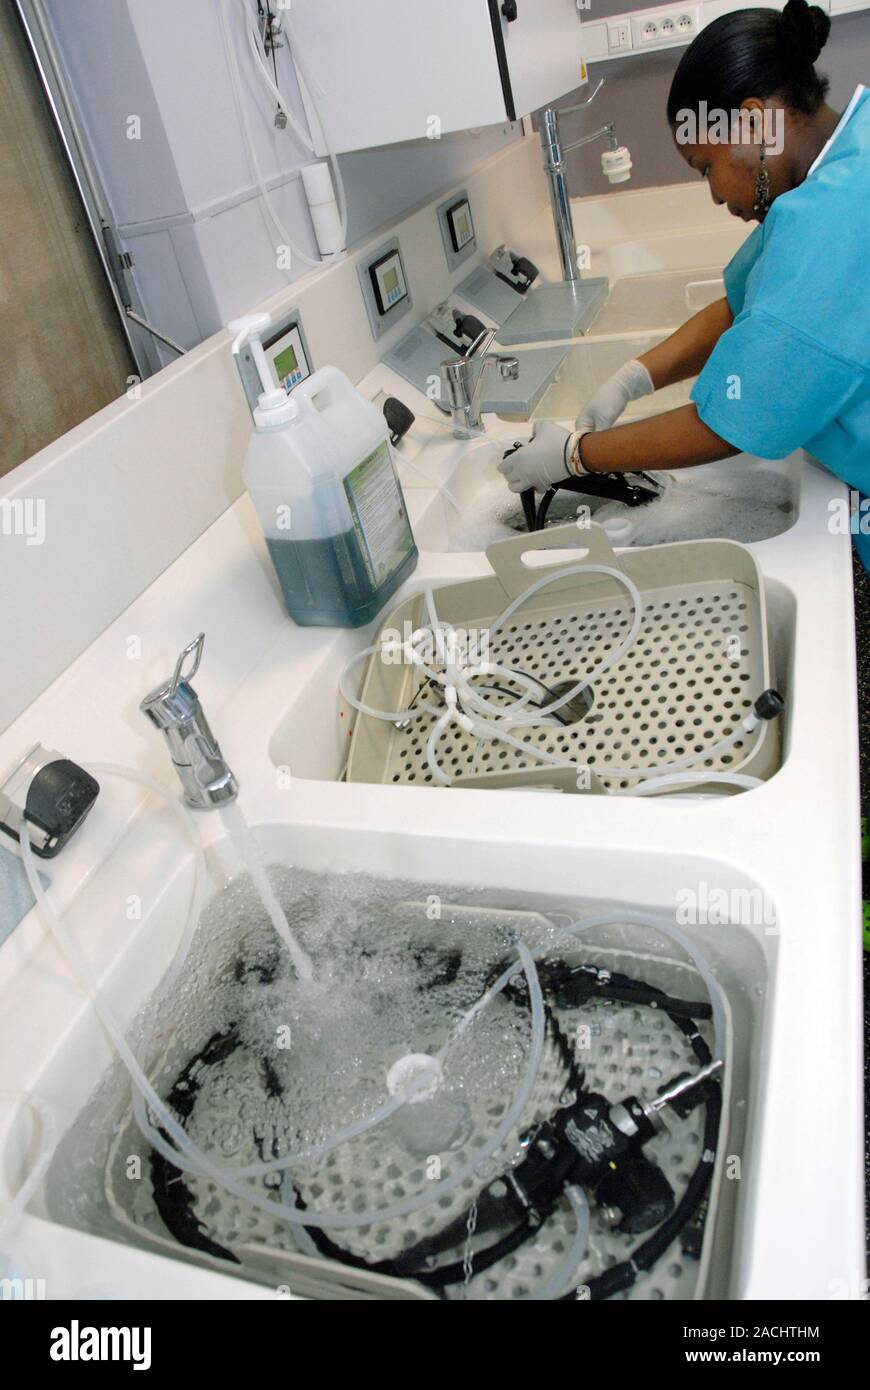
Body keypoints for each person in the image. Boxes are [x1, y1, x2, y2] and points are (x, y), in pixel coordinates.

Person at [499, 0, 870, 562]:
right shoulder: (848, 154)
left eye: (705, 167)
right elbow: (747, 308)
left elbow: (729, 423)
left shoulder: (832, 217)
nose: (717, 195)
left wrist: (577, 456)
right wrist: (633, 379)